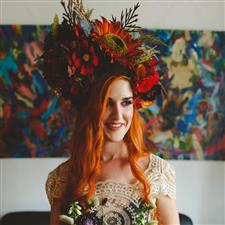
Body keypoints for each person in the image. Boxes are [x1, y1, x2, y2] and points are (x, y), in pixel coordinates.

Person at [44, 1, 180, 224]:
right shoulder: (64, 177)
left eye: (126, 103)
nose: (118, 115)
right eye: (108, 103)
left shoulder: (157, 172)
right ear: (91, 107)